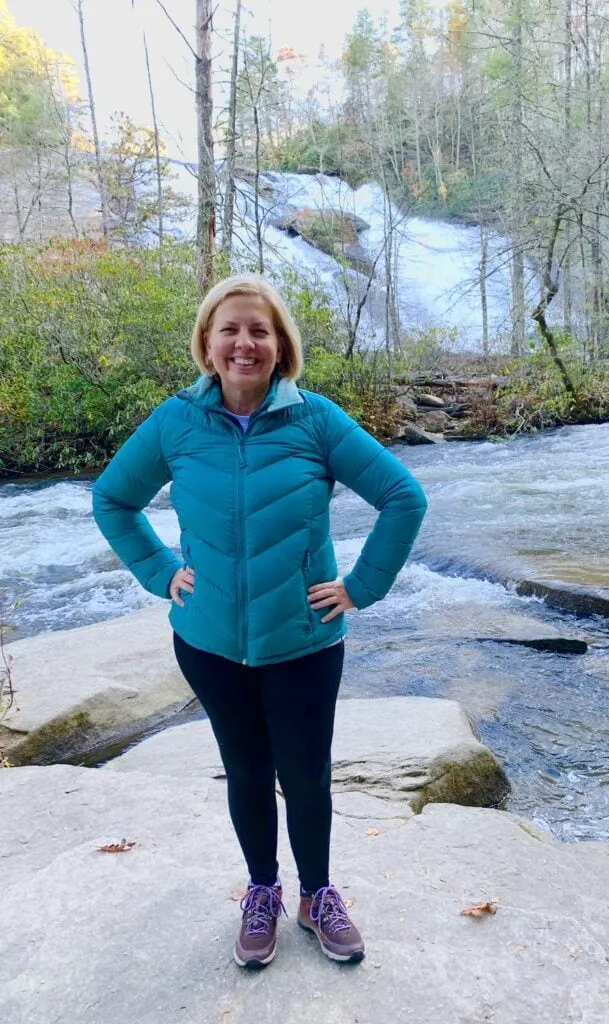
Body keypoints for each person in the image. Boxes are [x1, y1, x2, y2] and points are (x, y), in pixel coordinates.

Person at [92, 273, 427, 969]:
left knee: (306, 774)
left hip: (302, 643)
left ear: (281, 348)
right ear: (208, 344)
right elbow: (113, 501)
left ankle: (319, 896)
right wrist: (160, 573)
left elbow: (403, 497)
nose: (245, 343)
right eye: (231, 329)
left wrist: (361, 586)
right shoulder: (175, 422)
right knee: (245, 771)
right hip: (210, 642)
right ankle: (262, 892)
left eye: (260, 331)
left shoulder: (316, 422)